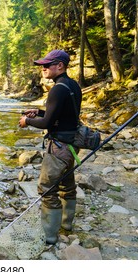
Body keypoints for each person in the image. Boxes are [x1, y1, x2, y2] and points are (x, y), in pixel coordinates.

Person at [18, 50, 82, 244]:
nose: (43, 68)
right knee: (66, 185)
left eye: (47, 65)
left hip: (59, 148)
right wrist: (38, 111)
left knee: (46, 187)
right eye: (42, 65)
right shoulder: (72, 86)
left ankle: (50, 236)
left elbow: (46, 123)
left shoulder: (57, 89)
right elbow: (62, 115)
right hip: (71, 145)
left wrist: (27, 122)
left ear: (60, 66)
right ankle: (67, 225)